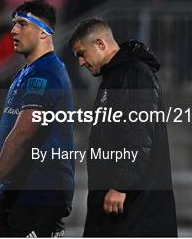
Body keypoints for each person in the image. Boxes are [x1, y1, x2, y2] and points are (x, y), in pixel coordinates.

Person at [68, 18, 177, 237]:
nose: (80, 62)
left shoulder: (134, 74)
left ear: (100, 44)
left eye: (82, 53)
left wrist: (121, 186)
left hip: (135, 211)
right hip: (121, 209)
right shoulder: (115, 77)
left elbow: (138, 135)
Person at [0, 0, 74, 237]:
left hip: (39, 197)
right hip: (20, 194)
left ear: (43, 32)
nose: (13, 30)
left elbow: (25, 133)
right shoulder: (27, 72)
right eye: (13, 23)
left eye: (21, 24)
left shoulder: (46, 73)